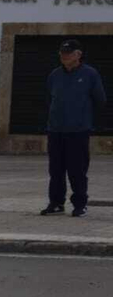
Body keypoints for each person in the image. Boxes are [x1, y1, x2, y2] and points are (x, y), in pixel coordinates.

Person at [41, 39, 106, 217]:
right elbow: (49, 99)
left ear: (78, 54)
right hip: (55, 130)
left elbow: (100, 100)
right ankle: (56, 203)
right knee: (55, 169)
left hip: (78, 131)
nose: (64, 56)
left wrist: (83, 118)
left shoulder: (90, 74)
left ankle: (80, 204)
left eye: (68, 53)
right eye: (62, 53)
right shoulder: (54, 75)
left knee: (77, 170)